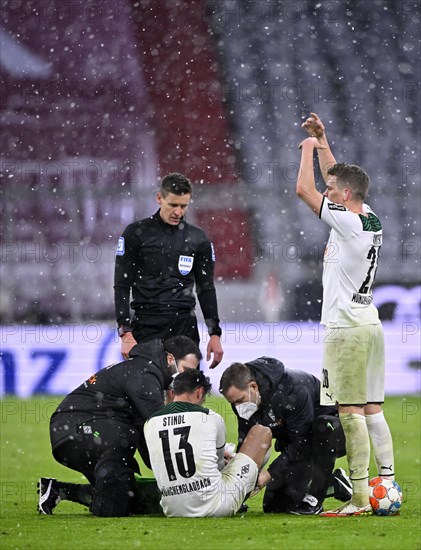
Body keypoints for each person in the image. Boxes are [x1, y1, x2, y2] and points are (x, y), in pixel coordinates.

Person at [296, 112, 396, 517]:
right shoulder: (367, 215)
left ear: (345, 195)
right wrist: (323, 140)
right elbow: (335, 176)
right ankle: (386, 483)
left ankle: (357, 499)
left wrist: (304, 150)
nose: (327, 190)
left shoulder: (349, 223)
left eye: (333, 189)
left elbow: (304, 189)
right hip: (368, 324)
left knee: (348, 411)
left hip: (345, 329)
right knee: (372, 407)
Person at [38, 335, 202, 517]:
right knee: (125, 441)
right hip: (76, 428)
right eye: (186, 370)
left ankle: (59, 490)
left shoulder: (146, 370)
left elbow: (147, 432)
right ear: (170, 358)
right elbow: (160, 426)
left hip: (77, 430)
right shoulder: (145, 375)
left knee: (124, 496)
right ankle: (108, 498)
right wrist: (198, 456)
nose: (187, 379)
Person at [114, 172, 223, 368]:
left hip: (184, 327)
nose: (178, 212)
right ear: (159, 198)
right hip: (146, 326)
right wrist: (125, 332)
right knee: (149, 395)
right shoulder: (135, 234)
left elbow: (206, 288)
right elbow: (122, 285)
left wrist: (214, 333)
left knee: (187, 394)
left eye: (184, 206)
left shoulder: (198, 239)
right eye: (173, 205)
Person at [219, 358, 352, 515]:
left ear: (253, 387)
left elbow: (302, 443)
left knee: (321, 427)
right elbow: (248, 441)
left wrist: (268, 475)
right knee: (275, 506)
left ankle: (316, 496)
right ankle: (334, 484)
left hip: (332, 434)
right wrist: (241, 477)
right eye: (232, 403)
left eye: (239, 401)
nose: (237, 407)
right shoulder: (244, 400)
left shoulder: (293, 390)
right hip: (296, 443)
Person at [144, 368, 272, 517]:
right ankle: (243, 496)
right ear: (199, 392)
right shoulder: (210, 417)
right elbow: (218, 468)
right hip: (215, 506)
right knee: (261, 432)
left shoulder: (150, 422)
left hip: (172, 509)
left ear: (173, 393)